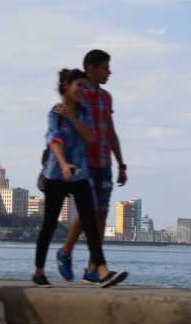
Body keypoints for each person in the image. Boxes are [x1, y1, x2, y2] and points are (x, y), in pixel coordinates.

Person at [32, 68, 127, 289]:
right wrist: (64, 164)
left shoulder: (82, 112)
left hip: (80, 174)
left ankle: (101, 271)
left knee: (90, 222)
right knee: (49, 224)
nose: (83, 90)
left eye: (85, 86)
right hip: (57, 173)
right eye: (79, 86)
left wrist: (72, 117)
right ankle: (38, 272)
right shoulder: (54, 112)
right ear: (67, 86)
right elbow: (53, 140)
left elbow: (91, 136)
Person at [55, 50, 127, 283]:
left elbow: (111, 130)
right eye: (105, 67)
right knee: (88, 211)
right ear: (91, 69)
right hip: (84, 161)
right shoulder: (80, 94)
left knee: (102, 213)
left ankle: (92, 268)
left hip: (104, 161)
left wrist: (121, 163)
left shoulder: (106, 98)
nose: (109, 72)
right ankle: (65, 252)